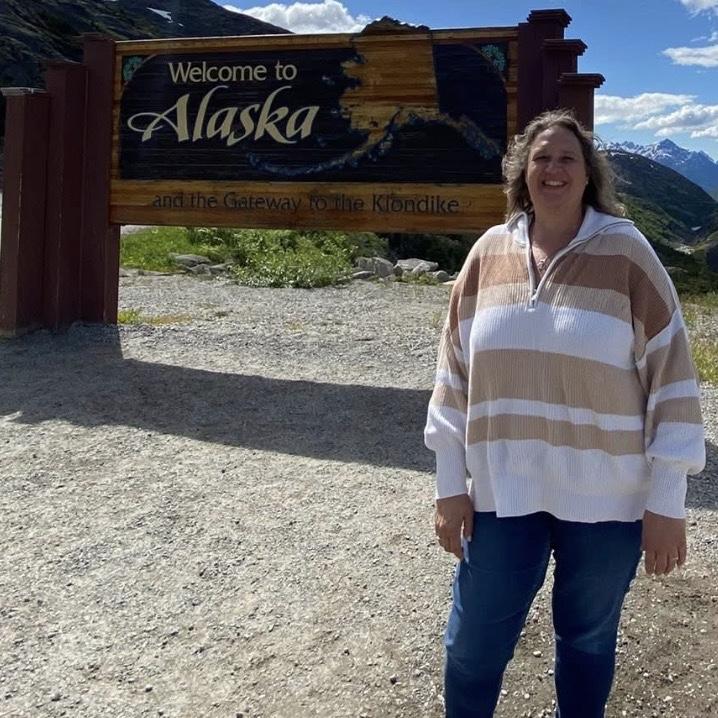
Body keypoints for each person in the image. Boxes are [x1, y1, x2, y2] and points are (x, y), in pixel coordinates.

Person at [424, 109, 706, 718]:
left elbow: (673, 378)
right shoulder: (488, 253)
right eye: (542, 158)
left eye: (567, 158)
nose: (553, 169)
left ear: (588, 173)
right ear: (522, 172)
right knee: (472, 647)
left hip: (608, 499)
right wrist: (449, 485)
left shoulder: (627, 253)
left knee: (586, 641)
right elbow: (453, 373)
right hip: (502, 490)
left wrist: (667, 502)